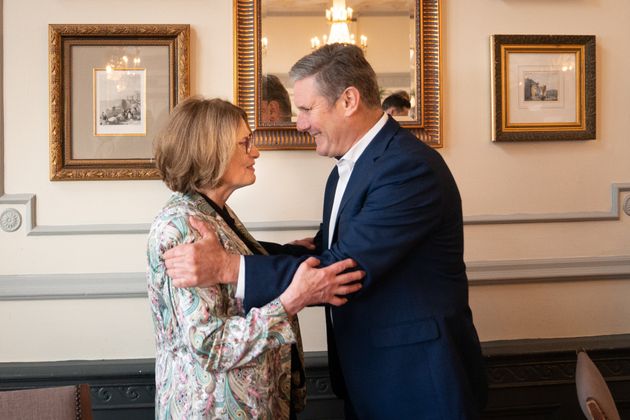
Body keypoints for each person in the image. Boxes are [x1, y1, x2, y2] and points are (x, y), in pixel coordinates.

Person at [164, 44, 487, 419]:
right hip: (370, 377)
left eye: (305, 109)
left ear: (348, 100)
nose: (299, 123)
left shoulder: (408, 169)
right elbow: (325, 251)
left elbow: (342, 267)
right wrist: (235, 250)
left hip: (417, 382)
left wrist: (229, 267)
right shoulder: (345, 171)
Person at [147, 97, 363, 419]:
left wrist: (286, 252)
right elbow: (211, 344)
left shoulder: (211, 212)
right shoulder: (182, 227)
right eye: (245, 143)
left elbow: (232, 263)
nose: (256, 152)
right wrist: (292, 299)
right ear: (212, 150)